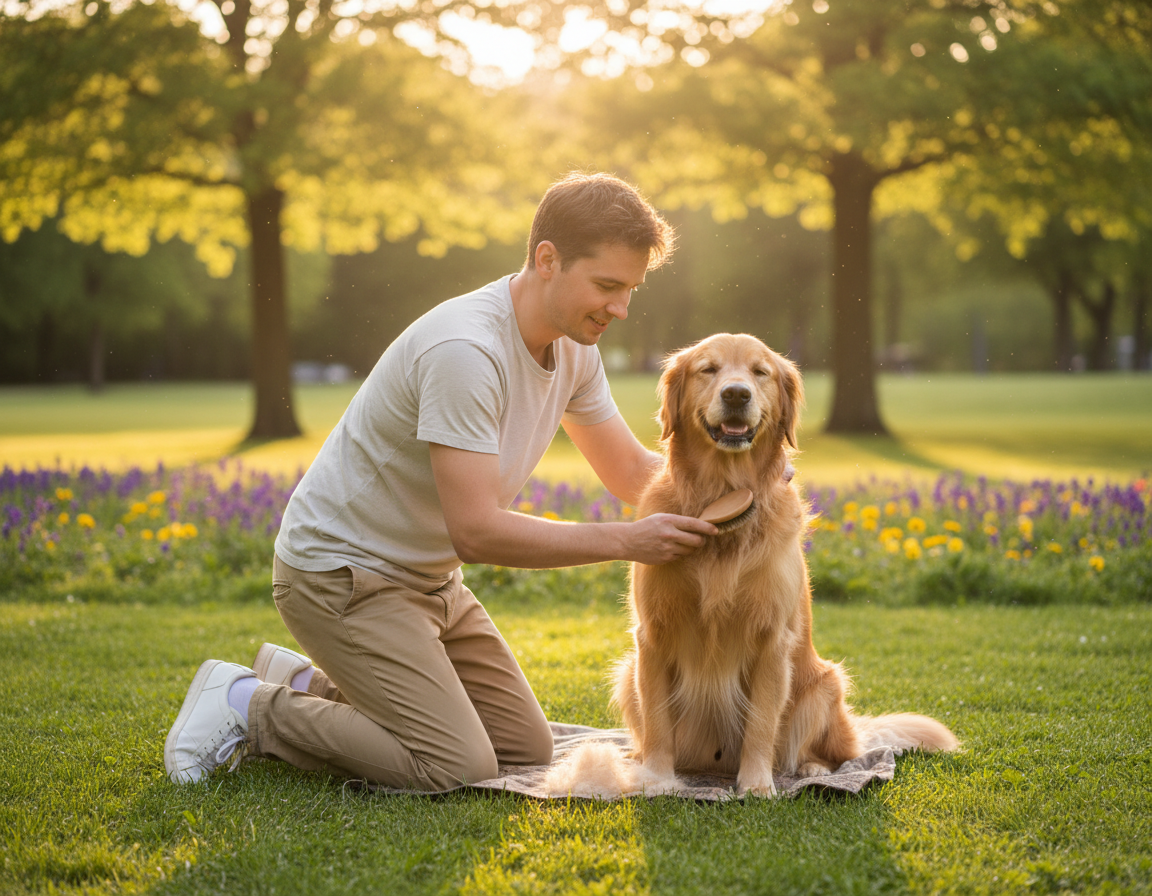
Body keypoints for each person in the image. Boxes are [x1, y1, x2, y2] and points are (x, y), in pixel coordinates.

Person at [163, 172, 723, 788]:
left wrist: (733, 487)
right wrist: (628, 540)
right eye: (607, 286)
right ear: (547, 260)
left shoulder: (574, 348)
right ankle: (248, 704)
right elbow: (478, 532)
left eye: (630, 291)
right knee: (456, 765)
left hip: (430, 585)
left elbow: (630, 471)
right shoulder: (466, 351)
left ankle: (304, 683)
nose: (619, 308)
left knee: (526, 747)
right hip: (340, 577)